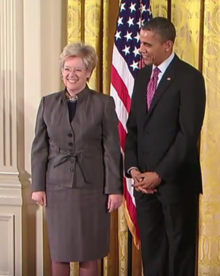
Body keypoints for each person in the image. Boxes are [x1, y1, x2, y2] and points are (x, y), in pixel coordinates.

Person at [31, 42, 123, 276]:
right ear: (61, 71)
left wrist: (114, 189)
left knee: (88, 252)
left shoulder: (103, 103)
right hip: (57, 187)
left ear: (89, 72)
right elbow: (39, 149)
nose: (71, 75)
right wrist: (38, 187)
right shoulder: (47, 103)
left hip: (92, 189)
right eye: (67, 69)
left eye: (78, 70)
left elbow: (111, 149)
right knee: (60, 252)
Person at [125, 17, 206, 276]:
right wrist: (133, 168)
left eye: (148, 44)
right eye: (141, 43)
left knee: (179, 255)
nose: (141, 49)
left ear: (168, 45)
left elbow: (187, 134)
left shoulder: (189, 78)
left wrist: (158, 174)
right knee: (153, 253)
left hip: (176, 185)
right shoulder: (142, 77)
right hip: (145, 189)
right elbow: (135, 128)